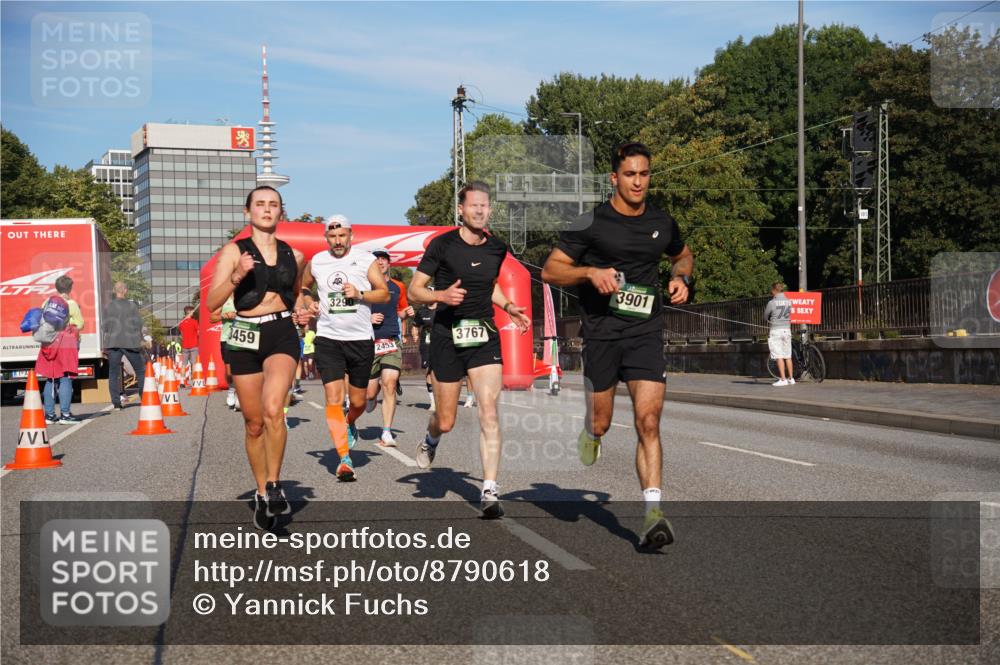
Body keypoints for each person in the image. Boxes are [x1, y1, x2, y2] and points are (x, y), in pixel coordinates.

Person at [541, 142, 694, 549]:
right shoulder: (590, 223)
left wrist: (682, 278)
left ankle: (653, 514)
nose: (638, 182)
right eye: (630, 174)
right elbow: (550, 269)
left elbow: (683, 255)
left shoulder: (662, 221)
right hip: (603, 333)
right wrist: (590, 272)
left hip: (645, 333)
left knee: (649, 421)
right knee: (601, 422)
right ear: (614, 178)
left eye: (644, 174)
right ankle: (591, 432)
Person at [408, 181, 531, 518]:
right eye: (473, 205)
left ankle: (489, 489)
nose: (479, 210)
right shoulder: (441, 245)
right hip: (448, 335)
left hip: (483, 335)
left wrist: (509, 306)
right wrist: (441, 296)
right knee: (446, 420)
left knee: (488, 411)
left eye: (485, 205)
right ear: (460, 210)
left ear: (490, 210)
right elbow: (414, 291)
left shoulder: (497, 248)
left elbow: (488, 286)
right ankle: (431, 439)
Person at [205, 185, 307, 531]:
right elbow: (211, 304)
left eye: (273, 204)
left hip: (280, 332)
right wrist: (237, 276)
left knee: (273, 409)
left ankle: (275, 484)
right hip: (244, 336)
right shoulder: (234, 251)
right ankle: (262, 493)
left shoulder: (295, 255)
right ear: (247, 212)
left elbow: (298, 297)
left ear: (281, 212)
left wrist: (306, 310)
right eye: (260, 204)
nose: (267, 209)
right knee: (253, 423)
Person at [298, 215, 389, 481]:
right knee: (333, 399)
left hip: (360, 339)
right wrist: (308, 301)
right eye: (332, 236)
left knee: (358, 402)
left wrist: (360, 294)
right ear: (326, 237)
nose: (338, 241)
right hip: (328, 338)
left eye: (342, 236)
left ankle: (350, 422)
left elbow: (383, 293)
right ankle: (344, 459)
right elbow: (303, 287)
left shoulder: (365, 260)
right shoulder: (317, 261)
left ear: (351, 235)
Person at [364, 248, 414, 447]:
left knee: (390, 383)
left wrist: (406, 313)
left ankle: (386, 431)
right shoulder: (365, 286)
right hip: (369, 341)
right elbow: (354, 311)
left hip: (392, 339)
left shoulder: (398, 286)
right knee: (369, 393)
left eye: (384, 259)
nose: (380, 262)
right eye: (376, 260)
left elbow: (400, 312)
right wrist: (368, 318)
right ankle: (370, 399)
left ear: (389, 264)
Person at [36, 275, 84, 424]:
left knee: (50, 378)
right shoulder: (71, 303)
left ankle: (49, 415)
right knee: (65, 377)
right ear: (70, 288)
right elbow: (80, 324)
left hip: (49, 343)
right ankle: (65, 414)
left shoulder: (47, 302)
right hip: (65, 344)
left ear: (57, 288)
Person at [102, 281, 147, 410]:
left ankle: (116, 402)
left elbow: (104, 327)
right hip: (130, 342)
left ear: (115, 291)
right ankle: (144, 397)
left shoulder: (108, 306)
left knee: (113, 373)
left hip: (113, 343)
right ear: (125, 291)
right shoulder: (132, 306)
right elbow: (138, 324)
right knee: (140, 370)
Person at [210, 295, 240, 410]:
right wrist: (225, 315)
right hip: (227, 338)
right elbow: (212, 318)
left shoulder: (246, 296)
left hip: (244, 339)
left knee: (245, 367)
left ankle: (241, 393)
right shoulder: (224, 299)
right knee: (229, 371)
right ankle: (231, 391)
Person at [764, 281, 794, 386]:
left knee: (779, 355)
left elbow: (765, 316)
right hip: (787, 329)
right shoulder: (789, 301)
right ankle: (791, 378)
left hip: (776, 330)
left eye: (771, 291)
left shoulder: (771, 303)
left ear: (774, 290)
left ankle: (782, 379)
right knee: (788, 355)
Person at [410, 298, 437, 410]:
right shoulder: (422, 311)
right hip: (426, 345)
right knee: (429, 370)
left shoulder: (442, 309)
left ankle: (441, 397)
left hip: (442, 343)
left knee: (440, 371)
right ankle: (433, 402)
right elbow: (415, 325)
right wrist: (415, 334)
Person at [177, 306, 199, 385]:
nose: (193, 313)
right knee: (194, 363)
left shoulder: (181, 323)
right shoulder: (194, 322)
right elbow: (198, 332)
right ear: (189, 312)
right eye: (192, 312)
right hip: (194, 345)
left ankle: (182, 381)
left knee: (184, 364)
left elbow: (181, 334)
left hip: (185, 346)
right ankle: (194, 381)